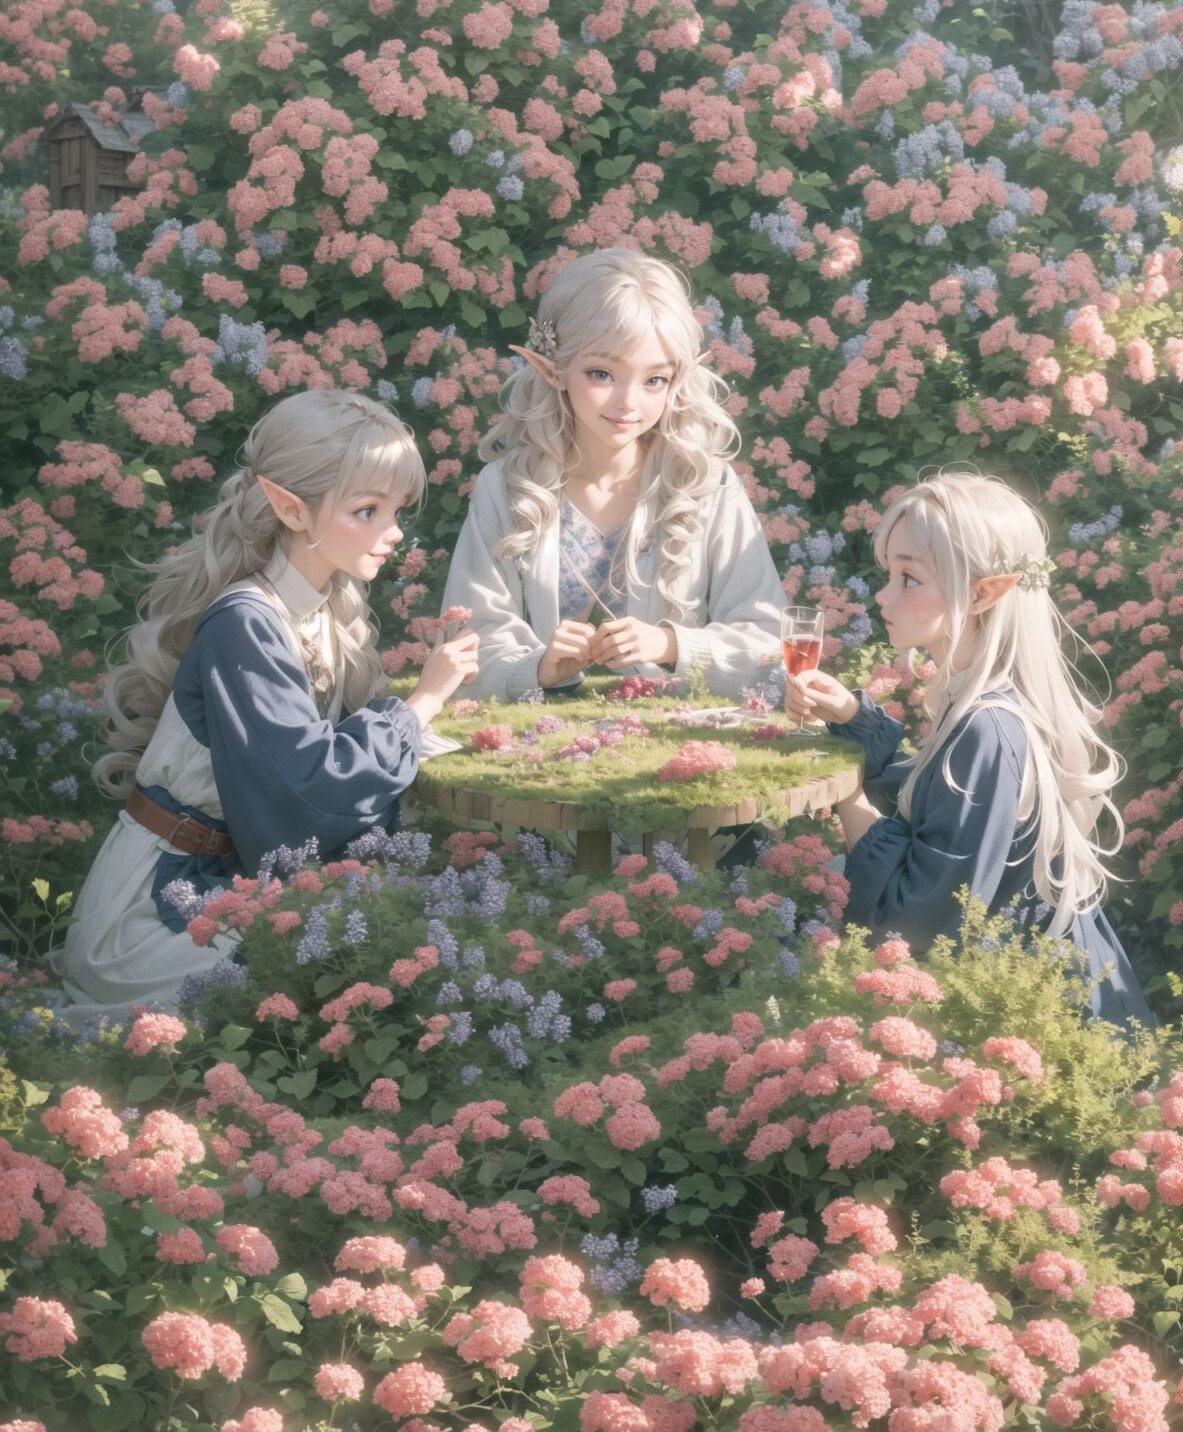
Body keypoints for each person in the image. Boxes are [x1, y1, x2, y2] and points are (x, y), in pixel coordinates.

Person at [55, 390, 478, 1027]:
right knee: (320, 988)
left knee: (389, 957)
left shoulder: (325, 610)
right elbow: (307, 787)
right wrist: (422, 703)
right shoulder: (245, 624)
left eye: (395, 511)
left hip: (225, 880)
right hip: (152, 909)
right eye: (368, 510)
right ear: (290, 507)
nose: (393, 533)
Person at [784, 471, 1155, 1028]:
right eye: (890, 574)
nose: (883, 595)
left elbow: (916, 920)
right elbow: (929, 808)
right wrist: (853, 719)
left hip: (1042, 1024)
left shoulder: (989, 728)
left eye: (909, 578)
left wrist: (845, 790)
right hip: (1028, 996)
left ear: (983, 593)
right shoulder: (986, 705)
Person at [440, 247, 785, 701]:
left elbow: (774, 648)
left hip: (679, 755)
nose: (628, 402)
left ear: (678, 381)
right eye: (602, 374)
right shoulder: (506, 488)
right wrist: (538, 666)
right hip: (533, 756)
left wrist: (671, 644)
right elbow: (466, 644)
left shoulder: (707, 485)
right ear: (554, 369)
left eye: (654, 380)